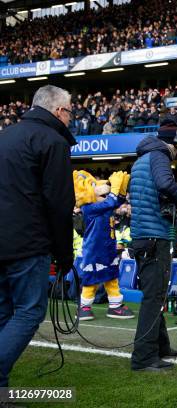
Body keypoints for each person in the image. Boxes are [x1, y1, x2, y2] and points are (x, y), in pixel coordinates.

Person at [0, 85, 77, 387]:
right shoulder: (52, 141)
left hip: (6, 241)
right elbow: (59, 203)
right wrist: (64, 253)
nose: (71, 118)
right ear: (59, 111)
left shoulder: (5, 136)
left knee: (5, 312)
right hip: (28, 243)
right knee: (30, 312)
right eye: (70, 111)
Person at [129, 119, 177, 371]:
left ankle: (161, 346)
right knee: (154, 296)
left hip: (145, 236)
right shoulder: (159, 156)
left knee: (156, 294)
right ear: (174, 141)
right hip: (153, 236)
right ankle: (143, 357)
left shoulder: (143, 157)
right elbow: (165, 184)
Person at [73, 170, 135, 321]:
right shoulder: (89, 208)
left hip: (108, 248)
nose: (102, 188)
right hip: (94, 250)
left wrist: (122, 187)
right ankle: (84, 307)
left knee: (111, 276)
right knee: (92, 279)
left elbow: (117, 201)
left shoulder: (104, 206)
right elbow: (111, 201)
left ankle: (115, 306)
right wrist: (114, 187)